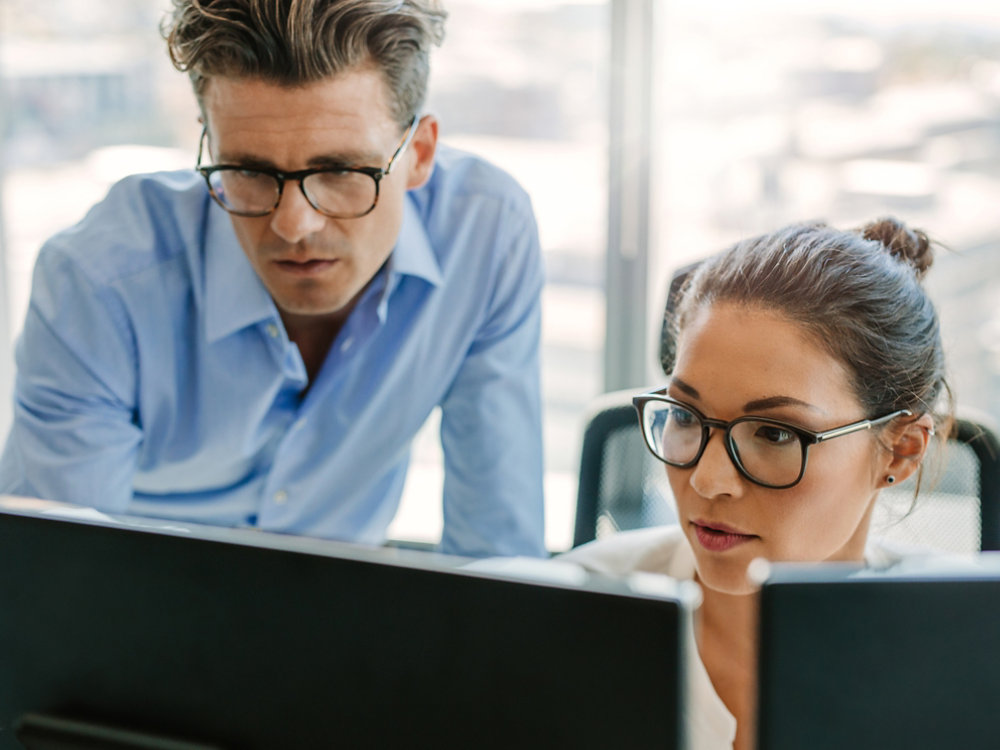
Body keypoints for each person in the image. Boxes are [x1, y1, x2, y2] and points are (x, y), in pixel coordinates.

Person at [0, 0, 546, 558]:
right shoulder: (100, 281)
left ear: (420, 154)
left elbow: (497, 550)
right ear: (210, 144)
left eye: (340, 171)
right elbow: (57, 579)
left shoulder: (484, 235)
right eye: (250, 171)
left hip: (345, 621)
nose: (292, 225)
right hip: (136, 620)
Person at [559, 217, 948, 750]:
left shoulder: (963, 650)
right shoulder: (567, 611)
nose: (707, 478)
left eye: (774, 433)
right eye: (686, 416)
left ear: (901, 451)